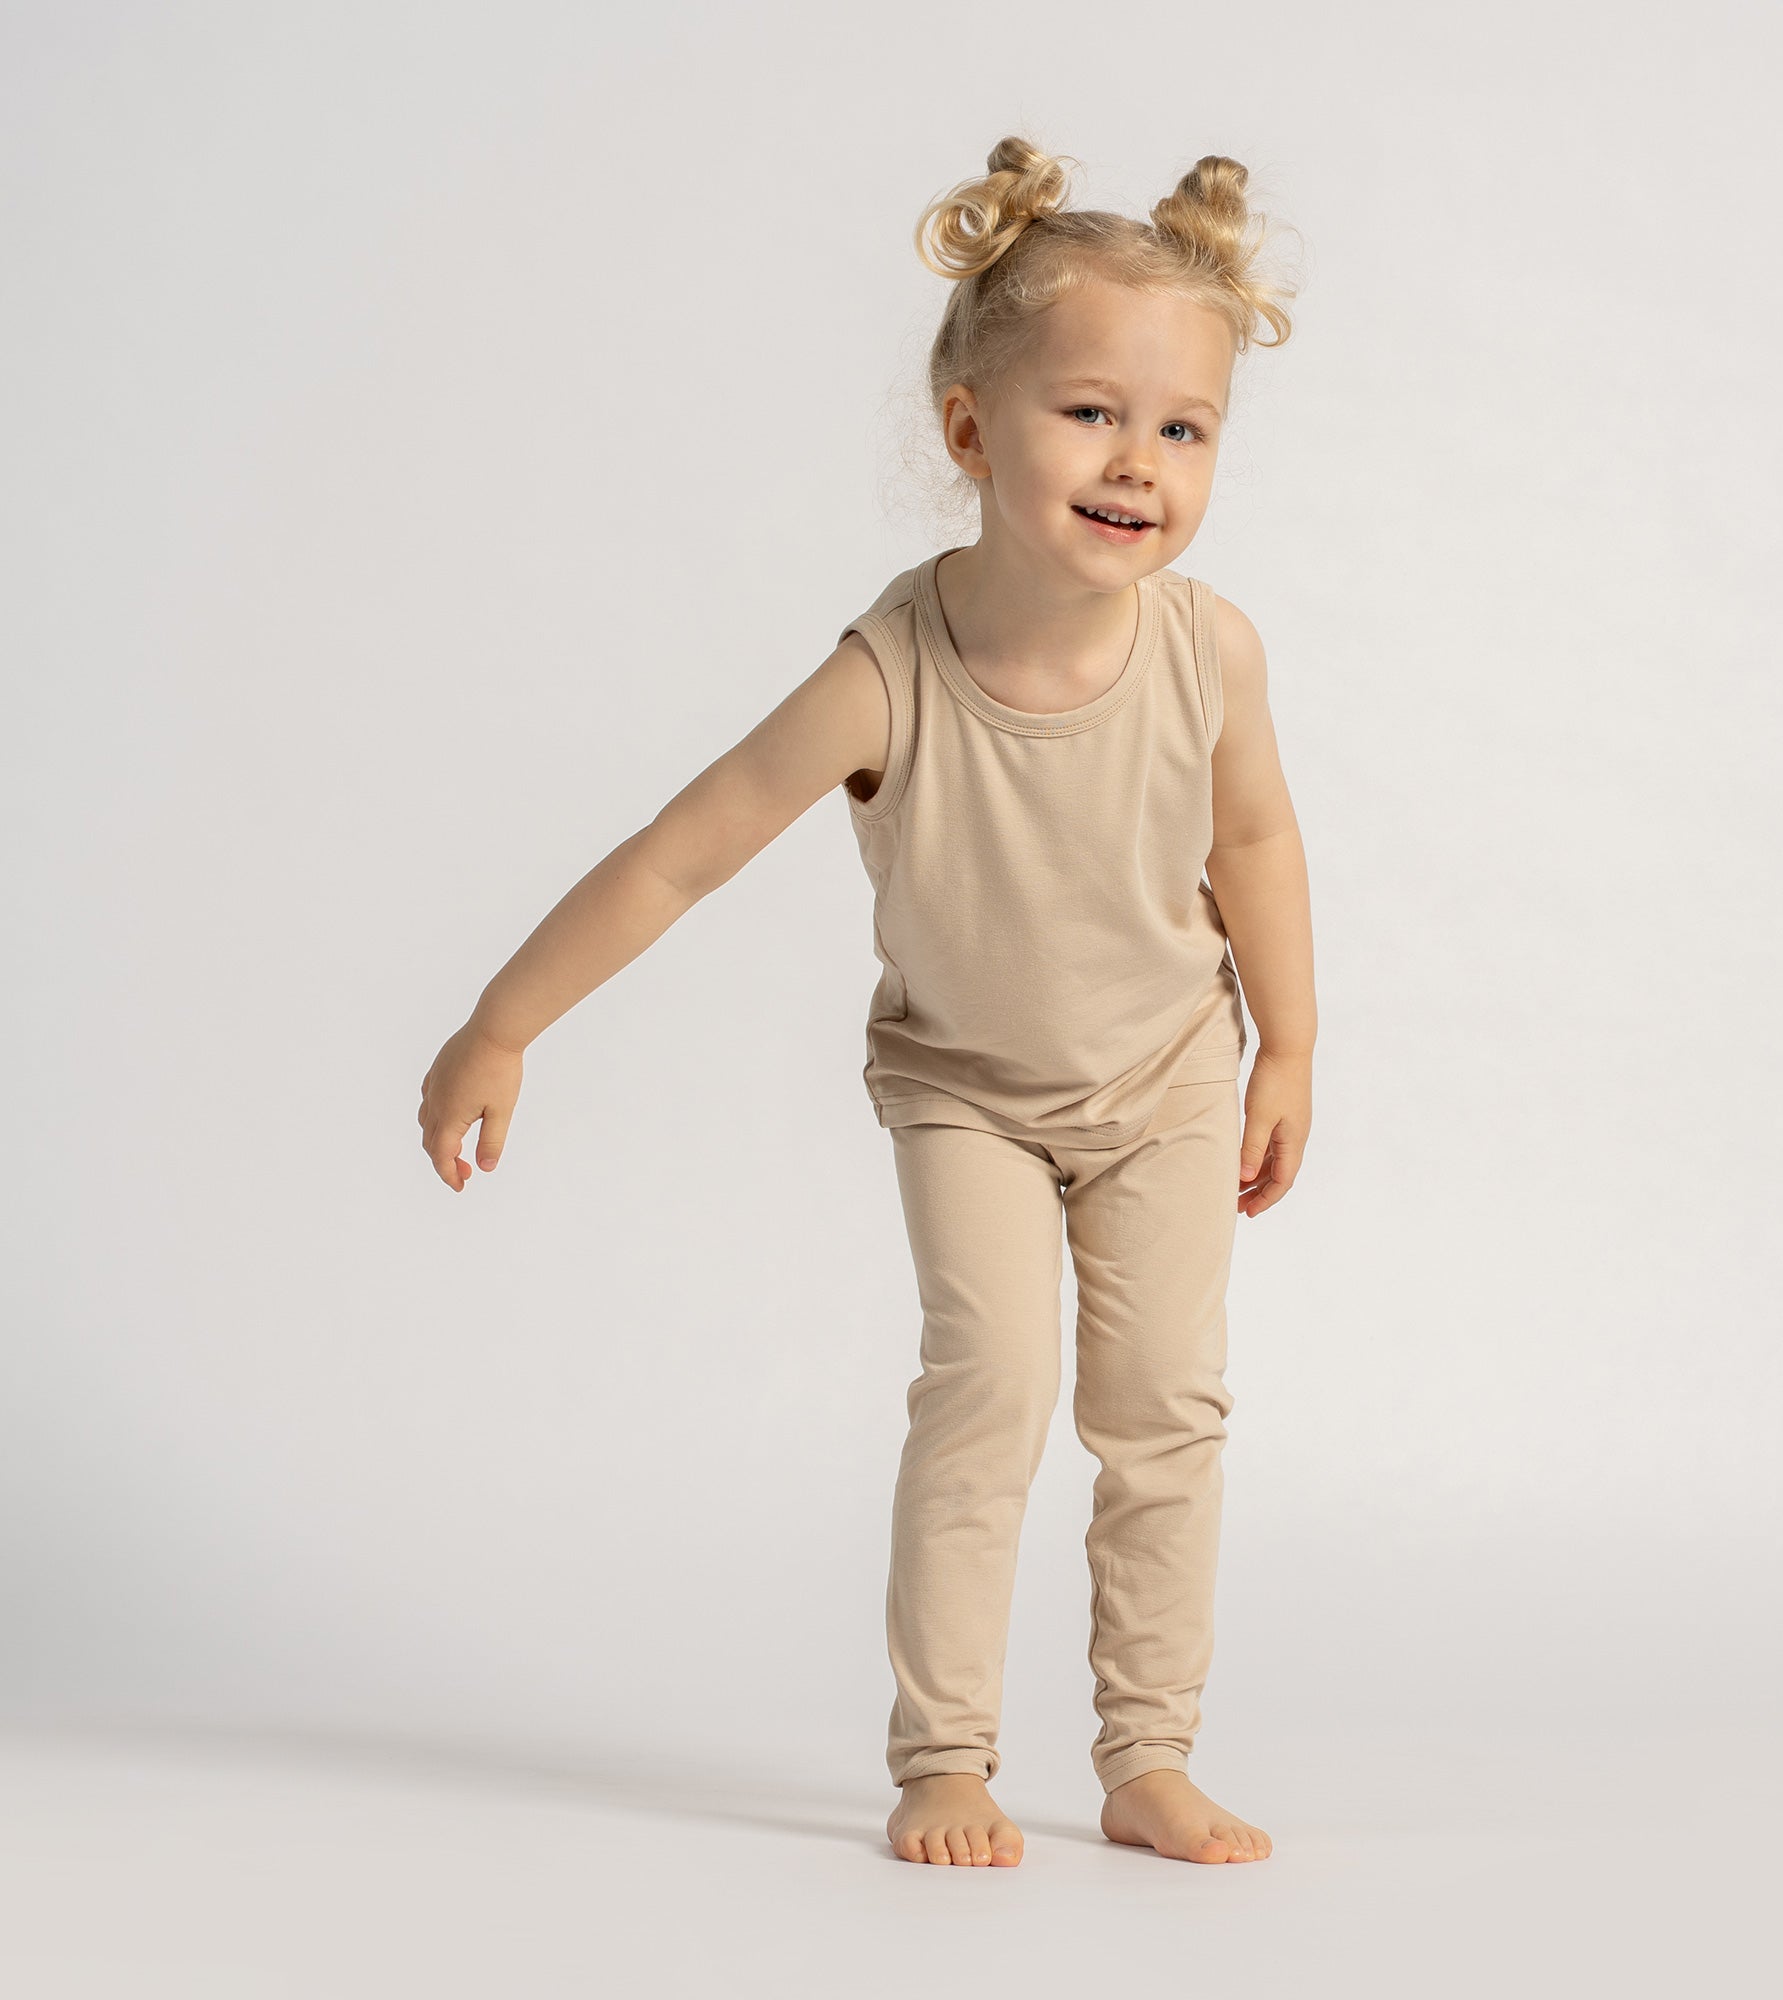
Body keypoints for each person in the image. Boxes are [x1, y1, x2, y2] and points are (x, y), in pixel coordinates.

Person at [418, 136, 1316, 1868]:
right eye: (1090, 413)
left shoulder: (1213, 652)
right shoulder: (884, 677)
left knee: (1164, 1413)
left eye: (1184, 428)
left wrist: (1291, 1043)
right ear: (971, 428)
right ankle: (946, 1759)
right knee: (989, 1387)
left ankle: (1147, 1753)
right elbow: (678, 856)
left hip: (1169, 1080)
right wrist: (503, 1022)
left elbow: (1258, 840)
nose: (1138, 462)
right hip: (966, 1091)